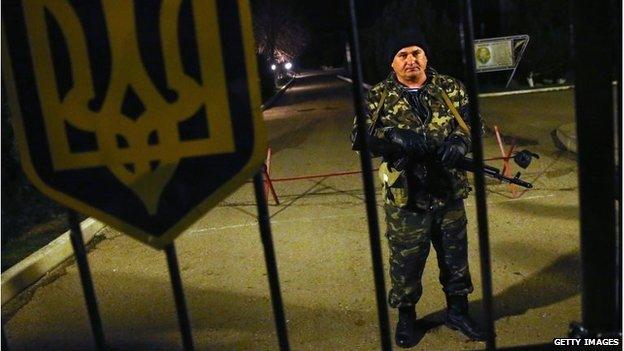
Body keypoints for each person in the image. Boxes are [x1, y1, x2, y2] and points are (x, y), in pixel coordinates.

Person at [351, 29, 486, 348]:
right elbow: (360, 138)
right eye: (402, 54)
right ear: (392, 62)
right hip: (405, 197)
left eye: (416, 52)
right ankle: (407, 317)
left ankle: (458, 312)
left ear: (426, 56)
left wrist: (460, 141)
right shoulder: (378, 95)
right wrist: (392, 137)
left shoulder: (450, 88)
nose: (410, 59)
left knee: (455, 257)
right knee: (406, 262)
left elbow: (473, 125)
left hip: (449, 191)